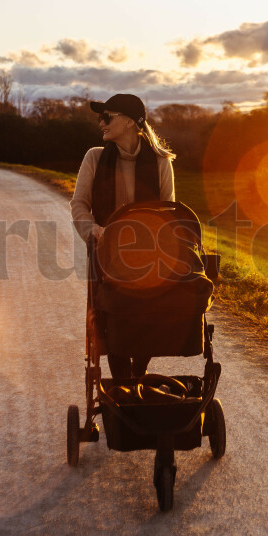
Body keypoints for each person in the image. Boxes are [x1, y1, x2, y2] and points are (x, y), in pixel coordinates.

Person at [71, 93, 176, 379]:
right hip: (107, 253)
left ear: (129, 122)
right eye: (100, 117)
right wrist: (93, 230)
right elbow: (79, 204)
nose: (101, 123)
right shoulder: (94, 157)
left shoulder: (160, 162)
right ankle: (122, 381)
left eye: (108, 117)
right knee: (113, 315)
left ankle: (137, 373)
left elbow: (169, 212)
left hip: (150, 256)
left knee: (151, 314)